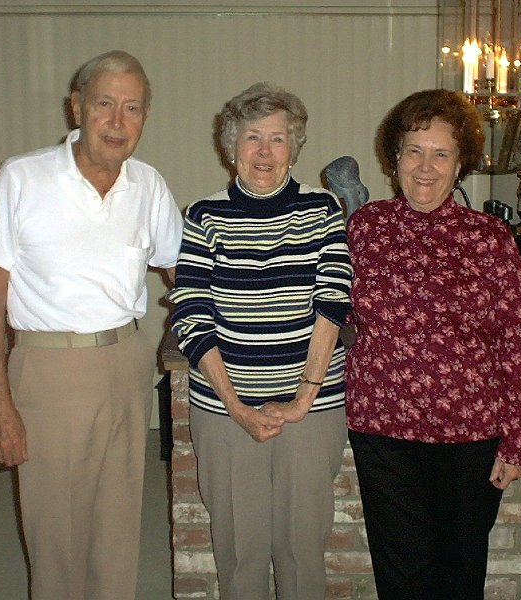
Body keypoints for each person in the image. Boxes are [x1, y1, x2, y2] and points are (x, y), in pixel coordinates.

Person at [0, 50, 183, 599]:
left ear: (146, 116)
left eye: (132, 107)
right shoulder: (21, 178)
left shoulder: (149, 185)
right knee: (57, 534)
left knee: (118, 530)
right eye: (105, 103)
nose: (117, 120)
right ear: (76, 106)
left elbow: (182, 270)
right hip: (50, 370)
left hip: (128, 363)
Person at [346, 89, 521, 600]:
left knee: (460, 571)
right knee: (401, 575)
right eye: (414, 150)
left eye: (441, 153)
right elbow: (328, 308)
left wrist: (517, 439)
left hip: (469, 438)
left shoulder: (490, 239)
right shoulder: (365, 229)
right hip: (383, 432)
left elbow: (514, 346)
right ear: (395, 158)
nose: (425, 167)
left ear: (459, 165)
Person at [167, 82, 352, 600]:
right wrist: (236, 405)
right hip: (224, 411)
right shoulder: (203, 215)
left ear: (295, 147)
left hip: (311, 411)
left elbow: (333, 302)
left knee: (301, 549)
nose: (265, 151)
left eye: (278, 138)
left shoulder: (323, 210)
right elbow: (192, 312)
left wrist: (303, 397)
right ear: (232, 147)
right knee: (238, 550)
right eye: (253, 137)